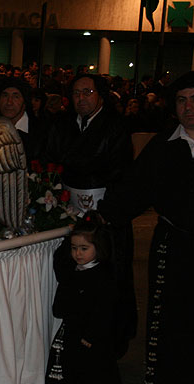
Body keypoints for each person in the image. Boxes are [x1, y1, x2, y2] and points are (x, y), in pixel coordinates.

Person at [98, 71, 194, 384]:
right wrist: (100, 216)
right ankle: (180, 383)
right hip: (176, 245)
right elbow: (135, 188)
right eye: (182, 100)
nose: (189, 107)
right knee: (177, 318)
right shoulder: (163, 145)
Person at [45, 74, 136, 358]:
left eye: (88, 92)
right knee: (72, 269)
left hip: (105, 214)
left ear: (100, 95)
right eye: (75, 93)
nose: (81, 98)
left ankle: (109, 339)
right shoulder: (62, 124)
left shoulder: (116, 126)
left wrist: (105, 212)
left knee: (110, 276)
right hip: (70, 209)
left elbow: (122, 173)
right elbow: (53, 162)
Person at [45, 213, 125, 384]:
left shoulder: (102, 276)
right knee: (68, 369)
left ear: (99, 248)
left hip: (92, 334)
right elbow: (61, 263)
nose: (78, 254)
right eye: (74, 248)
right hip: (71, 330)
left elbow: (104, 310)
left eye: (84, 248)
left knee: (94, 369)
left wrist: (91, 336)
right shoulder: (73, 270)